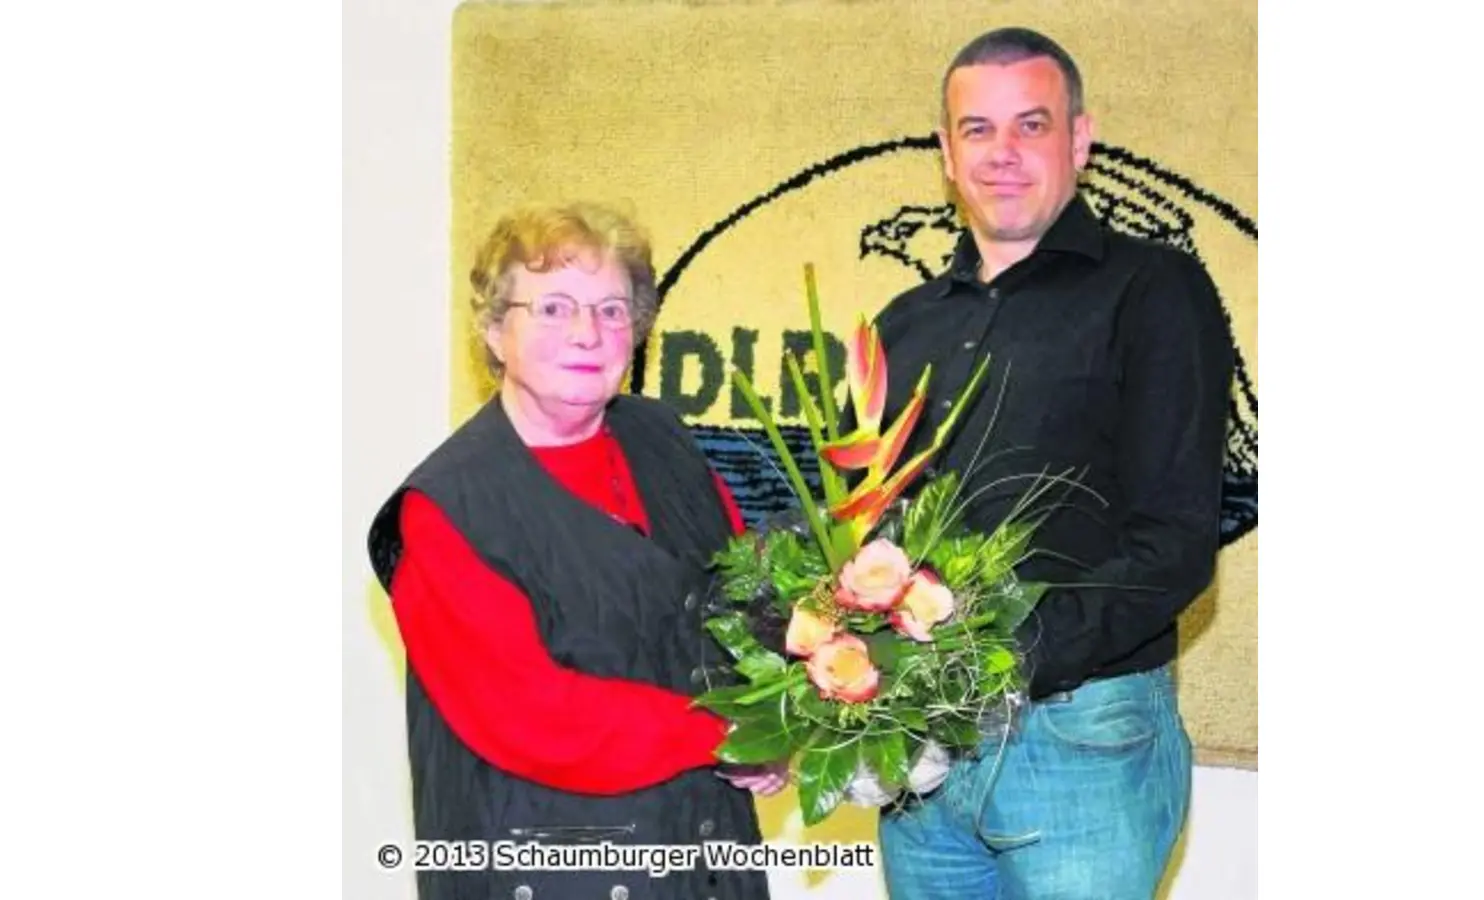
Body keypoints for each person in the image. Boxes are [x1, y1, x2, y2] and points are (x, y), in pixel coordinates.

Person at [859, 27, 1234, 900]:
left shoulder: (1157, 291)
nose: (1003, 154)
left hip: (1081, 739)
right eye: (977, 130)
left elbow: (1176, 540)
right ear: (947, 155)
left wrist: (999, 658)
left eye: (1031, 125)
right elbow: (866, 524)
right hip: (923, 754)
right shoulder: (901, 324)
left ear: (1081, 138)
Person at [366, 202, 783, 900]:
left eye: (612, 310)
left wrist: (775, 718)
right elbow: (533, 716)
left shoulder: (665, 440)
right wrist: (724, 730)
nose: (589, 333)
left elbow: (740, 602)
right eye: (554, 308)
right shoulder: (443, 510)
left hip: (703, 856)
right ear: (496, 330)